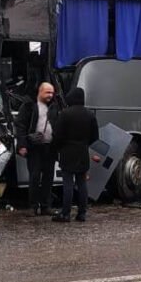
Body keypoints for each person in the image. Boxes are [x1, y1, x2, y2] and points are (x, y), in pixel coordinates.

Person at [51, 87, 99, 223]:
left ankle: (65, 214)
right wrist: (84, 144)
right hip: (83, 152)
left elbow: (57, 135)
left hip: (67, 152)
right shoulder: (90, 115)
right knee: (82, 183)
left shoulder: (65, 114)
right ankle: (82, 213)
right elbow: (95, 136)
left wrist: (57, 148)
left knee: (68, 184)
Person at [15, 82, 60, 216]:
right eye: (48, 92)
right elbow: (20, 125)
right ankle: (33, 206)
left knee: (48, 177)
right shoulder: (29, 106)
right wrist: (22, 144)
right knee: (34, 177)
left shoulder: (54, 106)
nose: (50, 95)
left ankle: (46, 206)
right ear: (40, 92)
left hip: (49, 147)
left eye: (52, 93)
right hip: (35, 147)